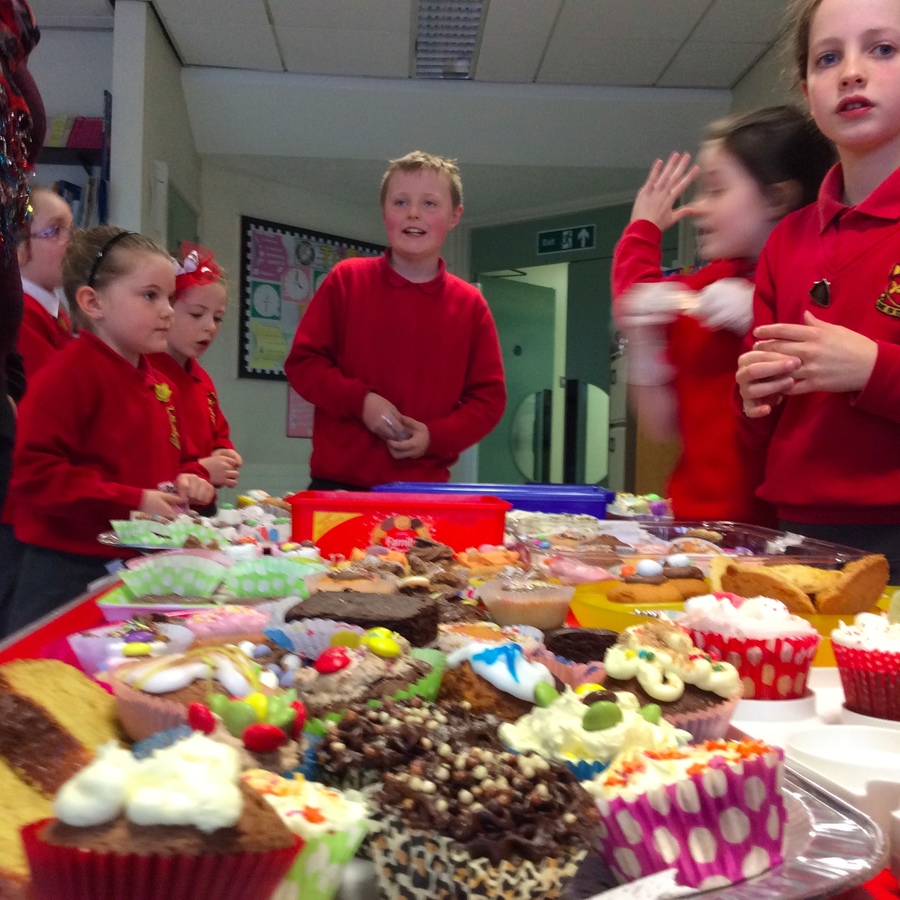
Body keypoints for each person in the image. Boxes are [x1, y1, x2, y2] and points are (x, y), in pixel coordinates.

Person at [736, 0, 900, 582]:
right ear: (808, 91)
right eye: (829, 58)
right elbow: (761, 424)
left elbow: (867, 370)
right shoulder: (788, 240)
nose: (851, 71)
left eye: (882, 49)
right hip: (797, 527)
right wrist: (754, 394)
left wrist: (872, 368)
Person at [612, 105, 835, 524]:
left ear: (777, 198)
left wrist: (760, 313)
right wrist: (643, 341)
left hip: (787, 531)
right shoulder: (700, 292)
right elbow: (662, 425)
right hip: (697, 524)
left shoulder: (821, 287)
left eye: (716, 189)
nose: (697, 207)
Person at [4, 227, 214, 634]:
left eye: (169, 298)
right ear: (92, 302)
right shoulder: (69, 376)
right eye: (150, 296)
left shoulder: (158, 385)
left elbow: (164, 467)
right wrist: (135, 499)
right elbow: (35, 476)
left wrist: (189, 481)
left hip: (130, 564)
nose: (168, 311)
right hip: (64, 571)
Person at [284, 151, 506, 490]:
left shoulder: (470, 305)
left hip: (424, 490)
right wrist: (362, 403)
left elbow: (489, 401)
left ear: (455, 216)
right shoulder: (347, 280)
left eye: (430, 203)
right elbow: (303, 364)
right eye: (400, 202)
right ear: (384, 211)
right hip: (338, 486)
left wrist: (434, 437)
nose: (413, 212)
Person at [148, 242, 243, 499]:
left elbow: (219, 433)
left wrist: (224, 452)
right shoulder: (146, 373)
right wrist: (202, 470)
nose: (210, 327)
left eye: (218, 317)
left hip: (200, 507)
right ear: (166, 310)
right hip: (161, 511)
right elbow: (150, 464)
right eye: (197, 314)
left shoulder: (202, 379)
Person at [15, 186, 75, 378]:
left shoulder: (52, 309)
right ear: (19, 249)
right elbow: (57, 386)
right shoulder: (21, 314)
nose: (72, 242)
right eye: (56, 230)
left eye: (71, 230)